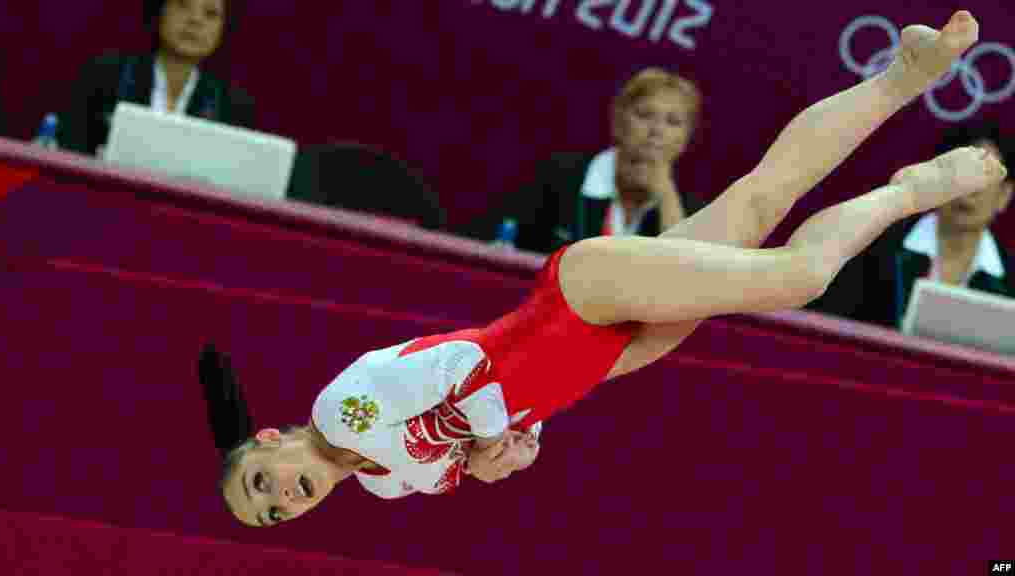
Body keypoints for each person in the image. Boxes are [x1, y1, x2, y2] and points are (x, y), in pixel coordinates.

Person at [203, 12, 1002, 528]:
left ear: (271, 440)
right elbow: (501, 425)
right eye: (270, 512)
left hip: (578, 303)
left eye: (260, 482)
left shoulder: (340, 413)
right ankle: (904, 77)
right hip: (598, 359)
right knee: (760, 202)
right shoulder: (384, 486)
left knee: (798, 279)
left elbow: (463, 362)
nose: (280, 499)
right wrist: (509, 456)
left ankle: (913, 191)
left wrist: (485, 447)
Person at [455, 68, 705, 252]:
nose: (656, 131)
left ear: (685, 140)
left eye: (673, 122)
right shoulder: (561, 179)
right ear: (618, 121)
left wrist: (665, 193)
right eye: (645, 115)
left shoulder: (687, 210)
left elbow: (684, 277)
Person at [832, 120, 1014, 328]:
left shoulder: (1010, 280)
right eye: (964, 176)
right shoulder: (877, 245)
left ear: (1004, 195)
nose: (970, 193)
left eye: (985, 179)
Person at [58, 0, 254, 156]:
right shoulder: (106, 76)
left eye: (210, 14)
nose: (195, 20)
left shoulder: (231, 106)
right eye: (182, 4)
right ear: (160, 10)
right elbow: (67, 148)